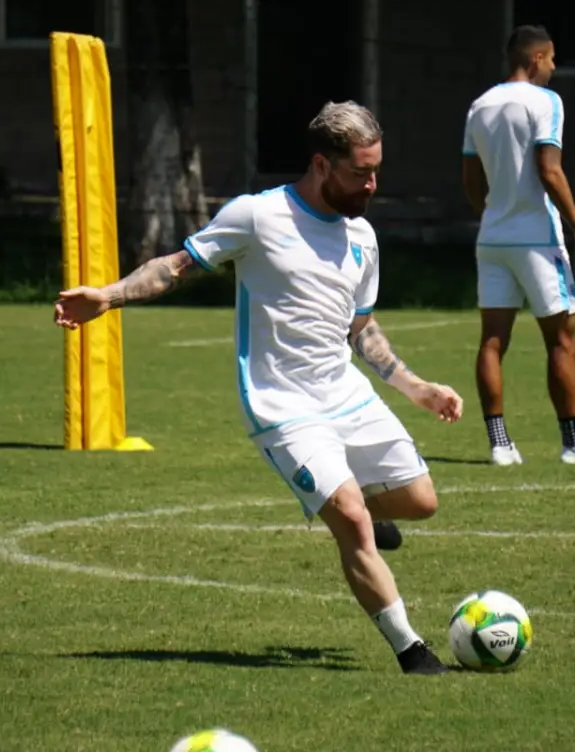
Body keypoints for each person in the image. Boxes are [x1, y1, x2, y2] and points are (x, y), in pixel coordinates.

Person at [54, 101, 462, 675]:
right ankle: (412, 651)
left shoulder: (363, 237)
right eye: (359, 172)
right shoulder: (257, 216)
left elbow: (361, 328)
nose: (371, 184)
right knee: (350, 517)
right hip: (281, 403)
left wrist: (416, 387)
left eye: (377, 171)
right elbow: (175, 266)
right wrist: (108, 295)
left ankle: (360, 507)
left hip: (343, 390)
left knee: (422, 501)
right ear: (322, 165)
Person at [461, 25, 575, 466]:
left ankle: (499, 444)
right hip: (537, 236)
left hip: (493, 236)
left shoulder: (480, 104)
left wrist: (492, 216)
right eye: (552, 59)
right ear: (536, 58)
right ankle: (574, 444)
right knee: (561, 340)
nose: (554, 68)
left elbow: (471, 179)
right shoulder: (546, 102)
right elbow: (550, 171)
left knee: (492, 341)